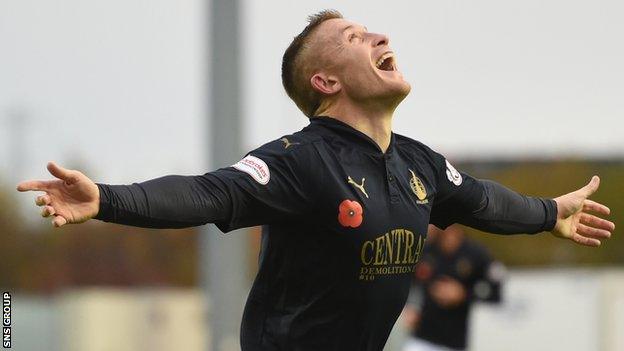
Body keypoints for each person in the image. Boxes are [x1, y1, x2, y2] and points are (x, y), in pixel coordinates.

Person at [16, 9, 614, 351]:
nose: (382, 37)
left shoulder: (419, 164)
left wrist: (548, 213)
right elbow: (210, 192)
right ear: (325, 82)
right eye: (356, 39)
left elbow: (482, 200)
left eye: (376, 32)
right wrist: (110, 199)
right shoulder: (301, 160)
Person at [403, 225, 504, 351]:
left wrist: (463, 294)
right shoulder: (425, 250)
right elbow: (408, 282)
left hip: (455, 342)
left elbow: (495, 291)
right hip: (422, 338)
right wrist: (410, 307)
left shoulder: (477, 254)